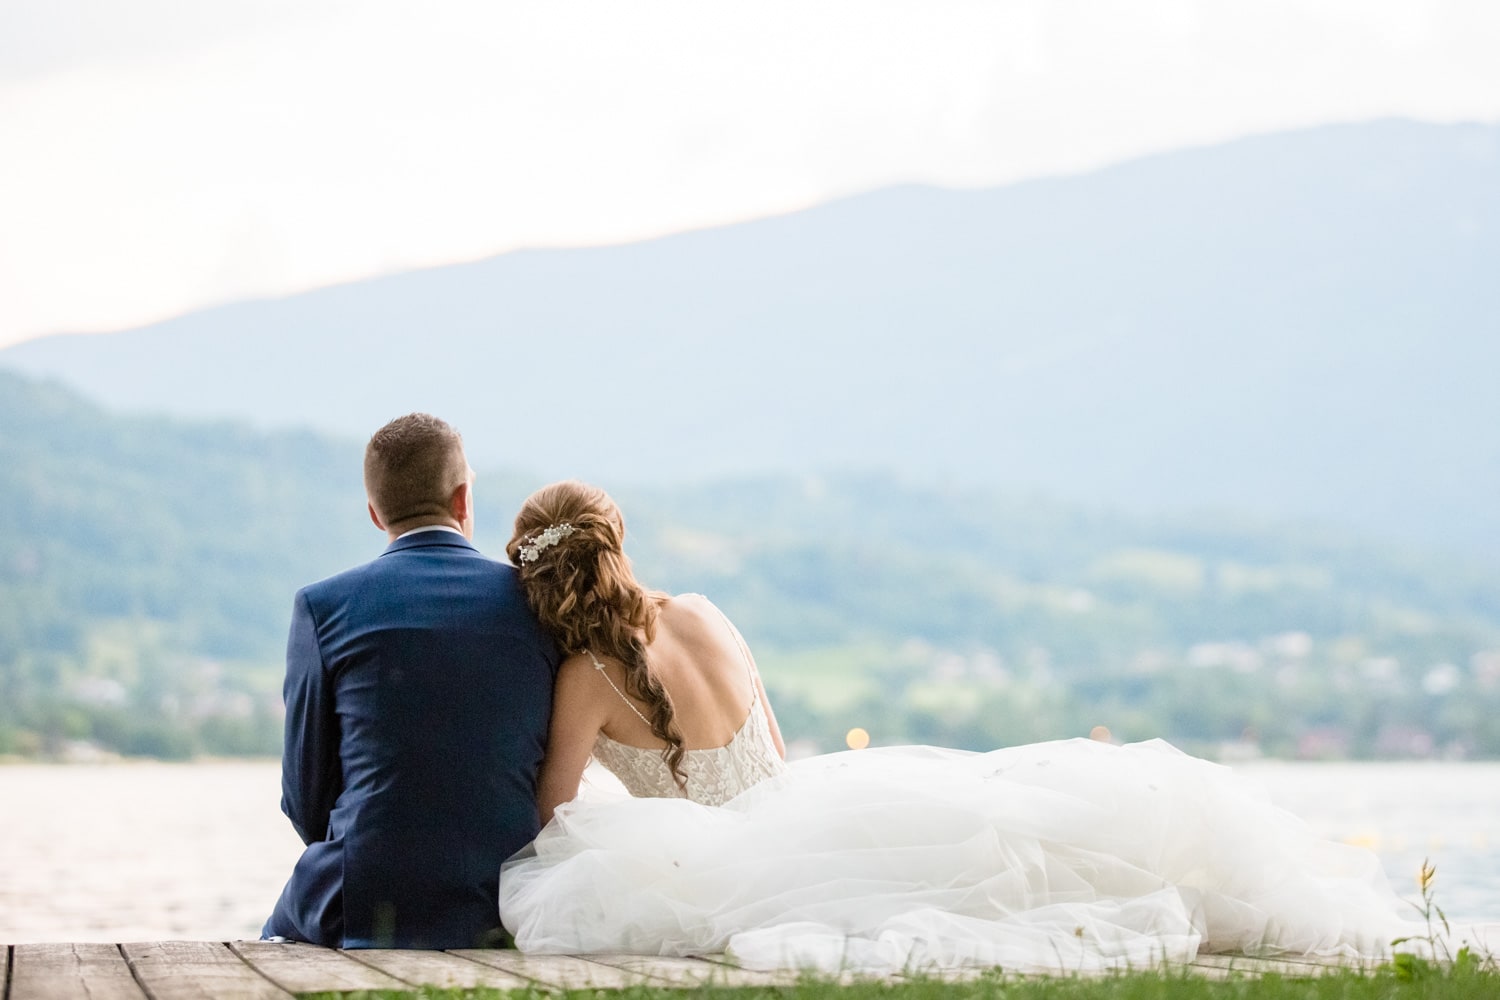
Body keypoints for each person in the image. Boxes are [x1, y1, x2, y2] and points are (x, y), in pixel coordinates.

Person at [495, 479, 1428, 974]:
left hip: (734, 853)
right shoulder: (702, 610)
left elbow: (549, 813)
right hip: (805, 809)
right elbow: (771, 751)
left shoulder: (585, 674)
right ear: (617, 542)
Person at [263, 414, 559, 949]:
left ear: (375, 514)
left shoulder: (322, 606)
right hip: (507, 898)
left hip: (364, 896)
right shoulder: (538, 602)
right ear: (463, 498)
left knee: (272, 941)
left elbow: (305, 794)